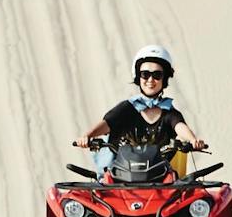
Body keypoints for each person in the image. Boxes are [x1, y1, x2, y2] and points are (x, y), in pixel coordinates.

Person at [73, 45, 207, 175]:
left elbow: (179, 126)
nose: (150, 80)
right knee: (104, 184)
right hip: (122, 174)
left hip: (159, 175)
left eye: (157, 75)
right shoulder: (127, 108)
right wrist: (87, 136)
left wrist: (193, 140)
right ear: (138, 77)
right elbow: (107, 123)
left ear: (164, 78)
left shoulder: (168, 111)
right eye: (145, 74)